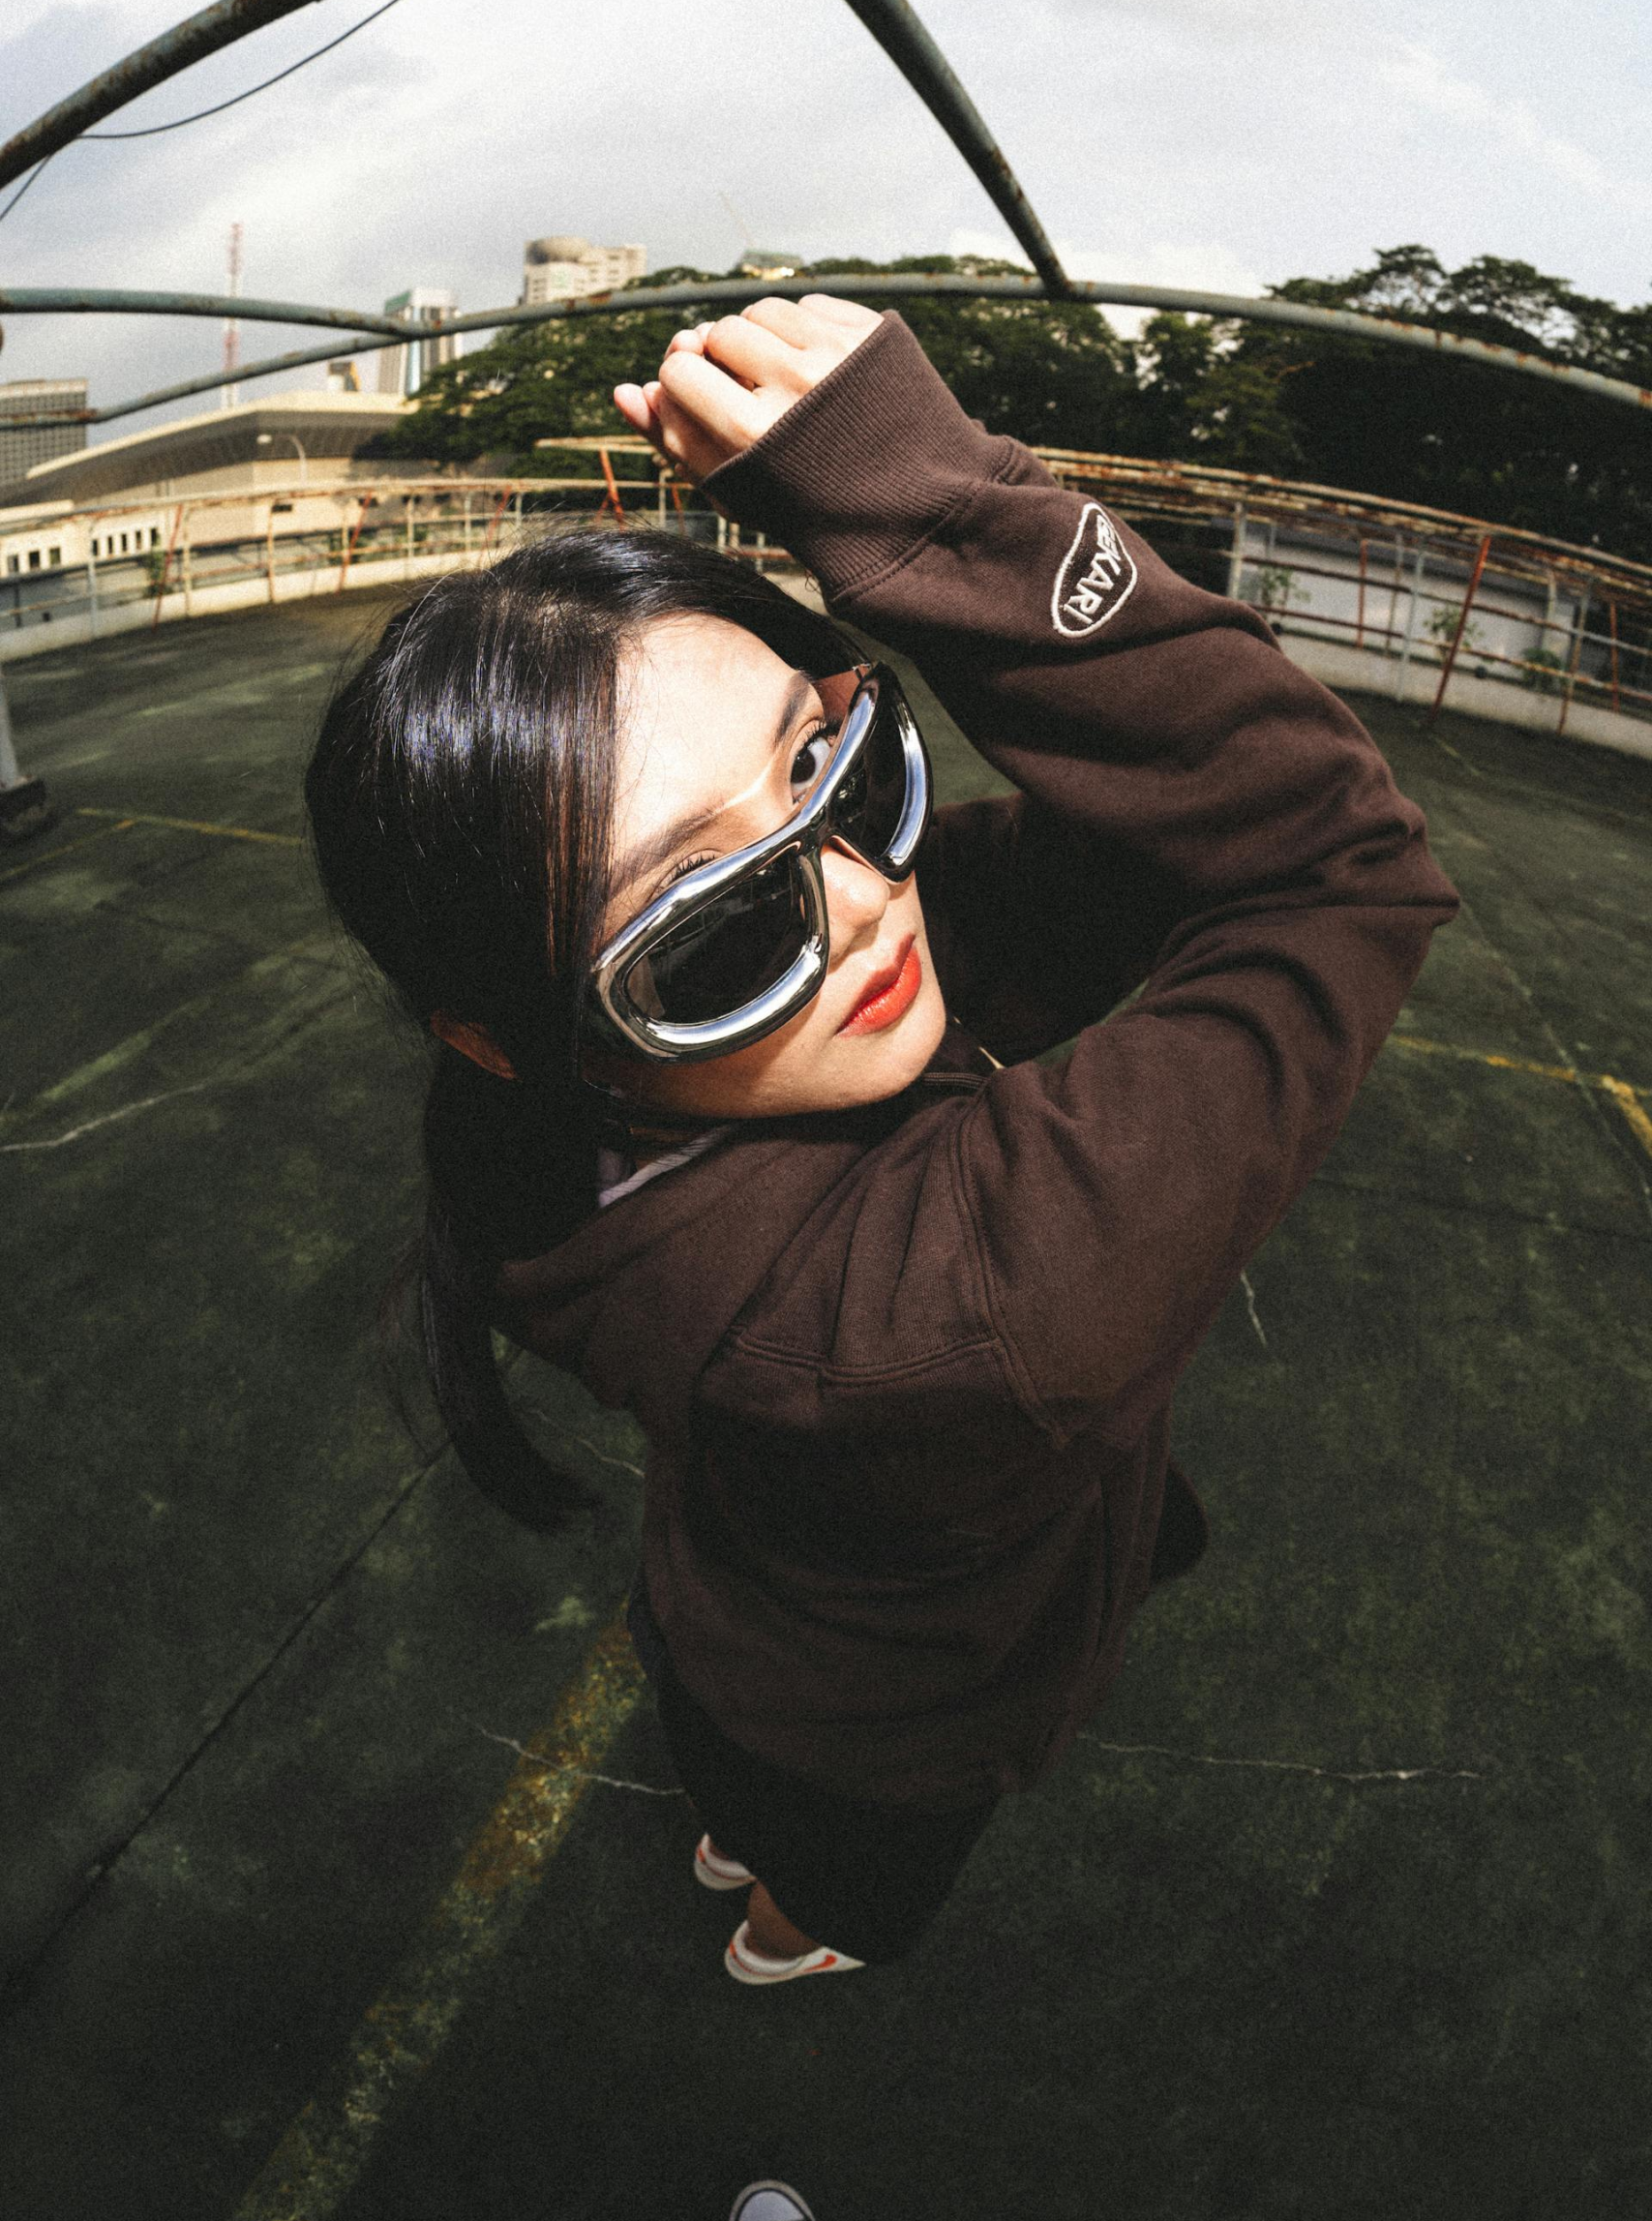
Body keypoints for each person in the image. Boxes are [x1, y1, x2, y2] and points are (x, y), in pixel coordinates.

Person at [304, 297, 1459, 1987]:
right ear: (504, 1032)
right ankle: (787, 1933)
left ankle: (740, 1839)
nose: (863, 903)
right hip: (892, 1726)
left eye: (841, 772)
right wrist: (933, 504)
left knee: (742, 1794)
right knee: (832, 1890)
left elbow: (1145, 853)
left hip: (740, 1630)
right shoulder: (954, 1322)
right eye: (705, 936)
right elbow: (1326, 854)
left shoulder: (556, 1124)